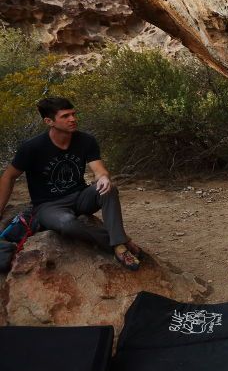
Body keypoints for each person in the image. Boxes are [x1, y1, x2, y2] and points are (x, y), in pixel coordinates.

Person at [0, 97, 142, 270]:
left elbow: (99, 169)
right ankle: (118, 242)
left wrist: (103, 177)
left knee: (108, 189)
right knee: (67, 223)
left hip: (80, 196)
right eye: (65, 116)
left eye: (73, 114)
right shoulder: (32, 147)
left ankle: (118, 242)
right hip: (48, 206)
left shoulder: (86, 141)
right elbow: (8, 177)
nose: (73, 119)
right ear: (49, 121)